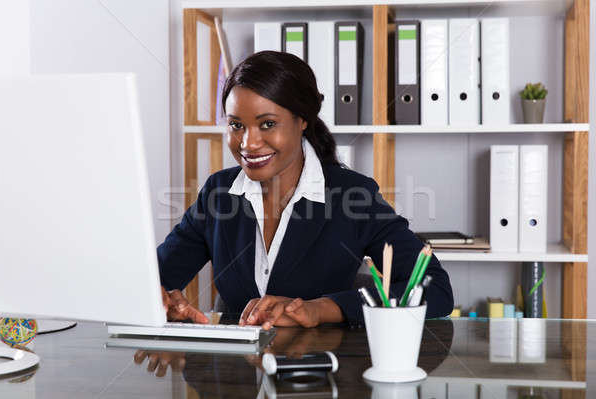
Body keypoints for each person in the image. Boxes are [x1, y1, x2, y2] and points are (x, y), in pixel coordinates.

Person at [157, 50, 453, 328]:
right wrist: (164, 300)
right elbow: (153, 278)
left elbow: (435, 289)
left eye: (268, 124)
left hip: (319, 372)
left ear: (302, 121)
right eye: (236, 126)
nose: (248, 143)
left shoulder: (354, 195)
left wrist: (322, 309)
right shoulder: (218, 193)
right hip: (235, 375)